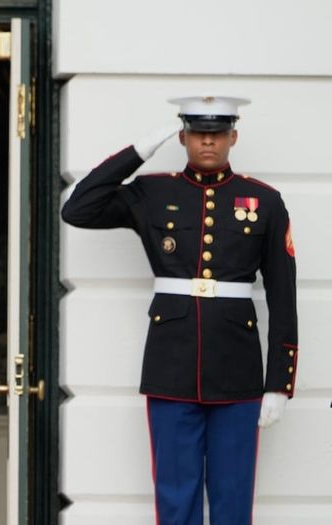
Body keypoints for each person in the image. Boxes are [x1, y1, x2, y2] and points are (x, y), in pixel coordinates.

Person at [62, 96, 297, 524]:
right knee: (175, 496)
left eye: (218, 133)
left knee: (233, 497)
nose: (208, 141)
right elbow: (78, 208)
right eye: (199, 133)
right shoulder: (153, 193)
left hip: (238, 369)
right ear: (183, 137)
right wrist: (138, 151)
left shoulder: (264, 201)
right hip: (171, 365)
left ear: (233, 137)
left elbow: (283, 297)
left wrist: (279, 384)